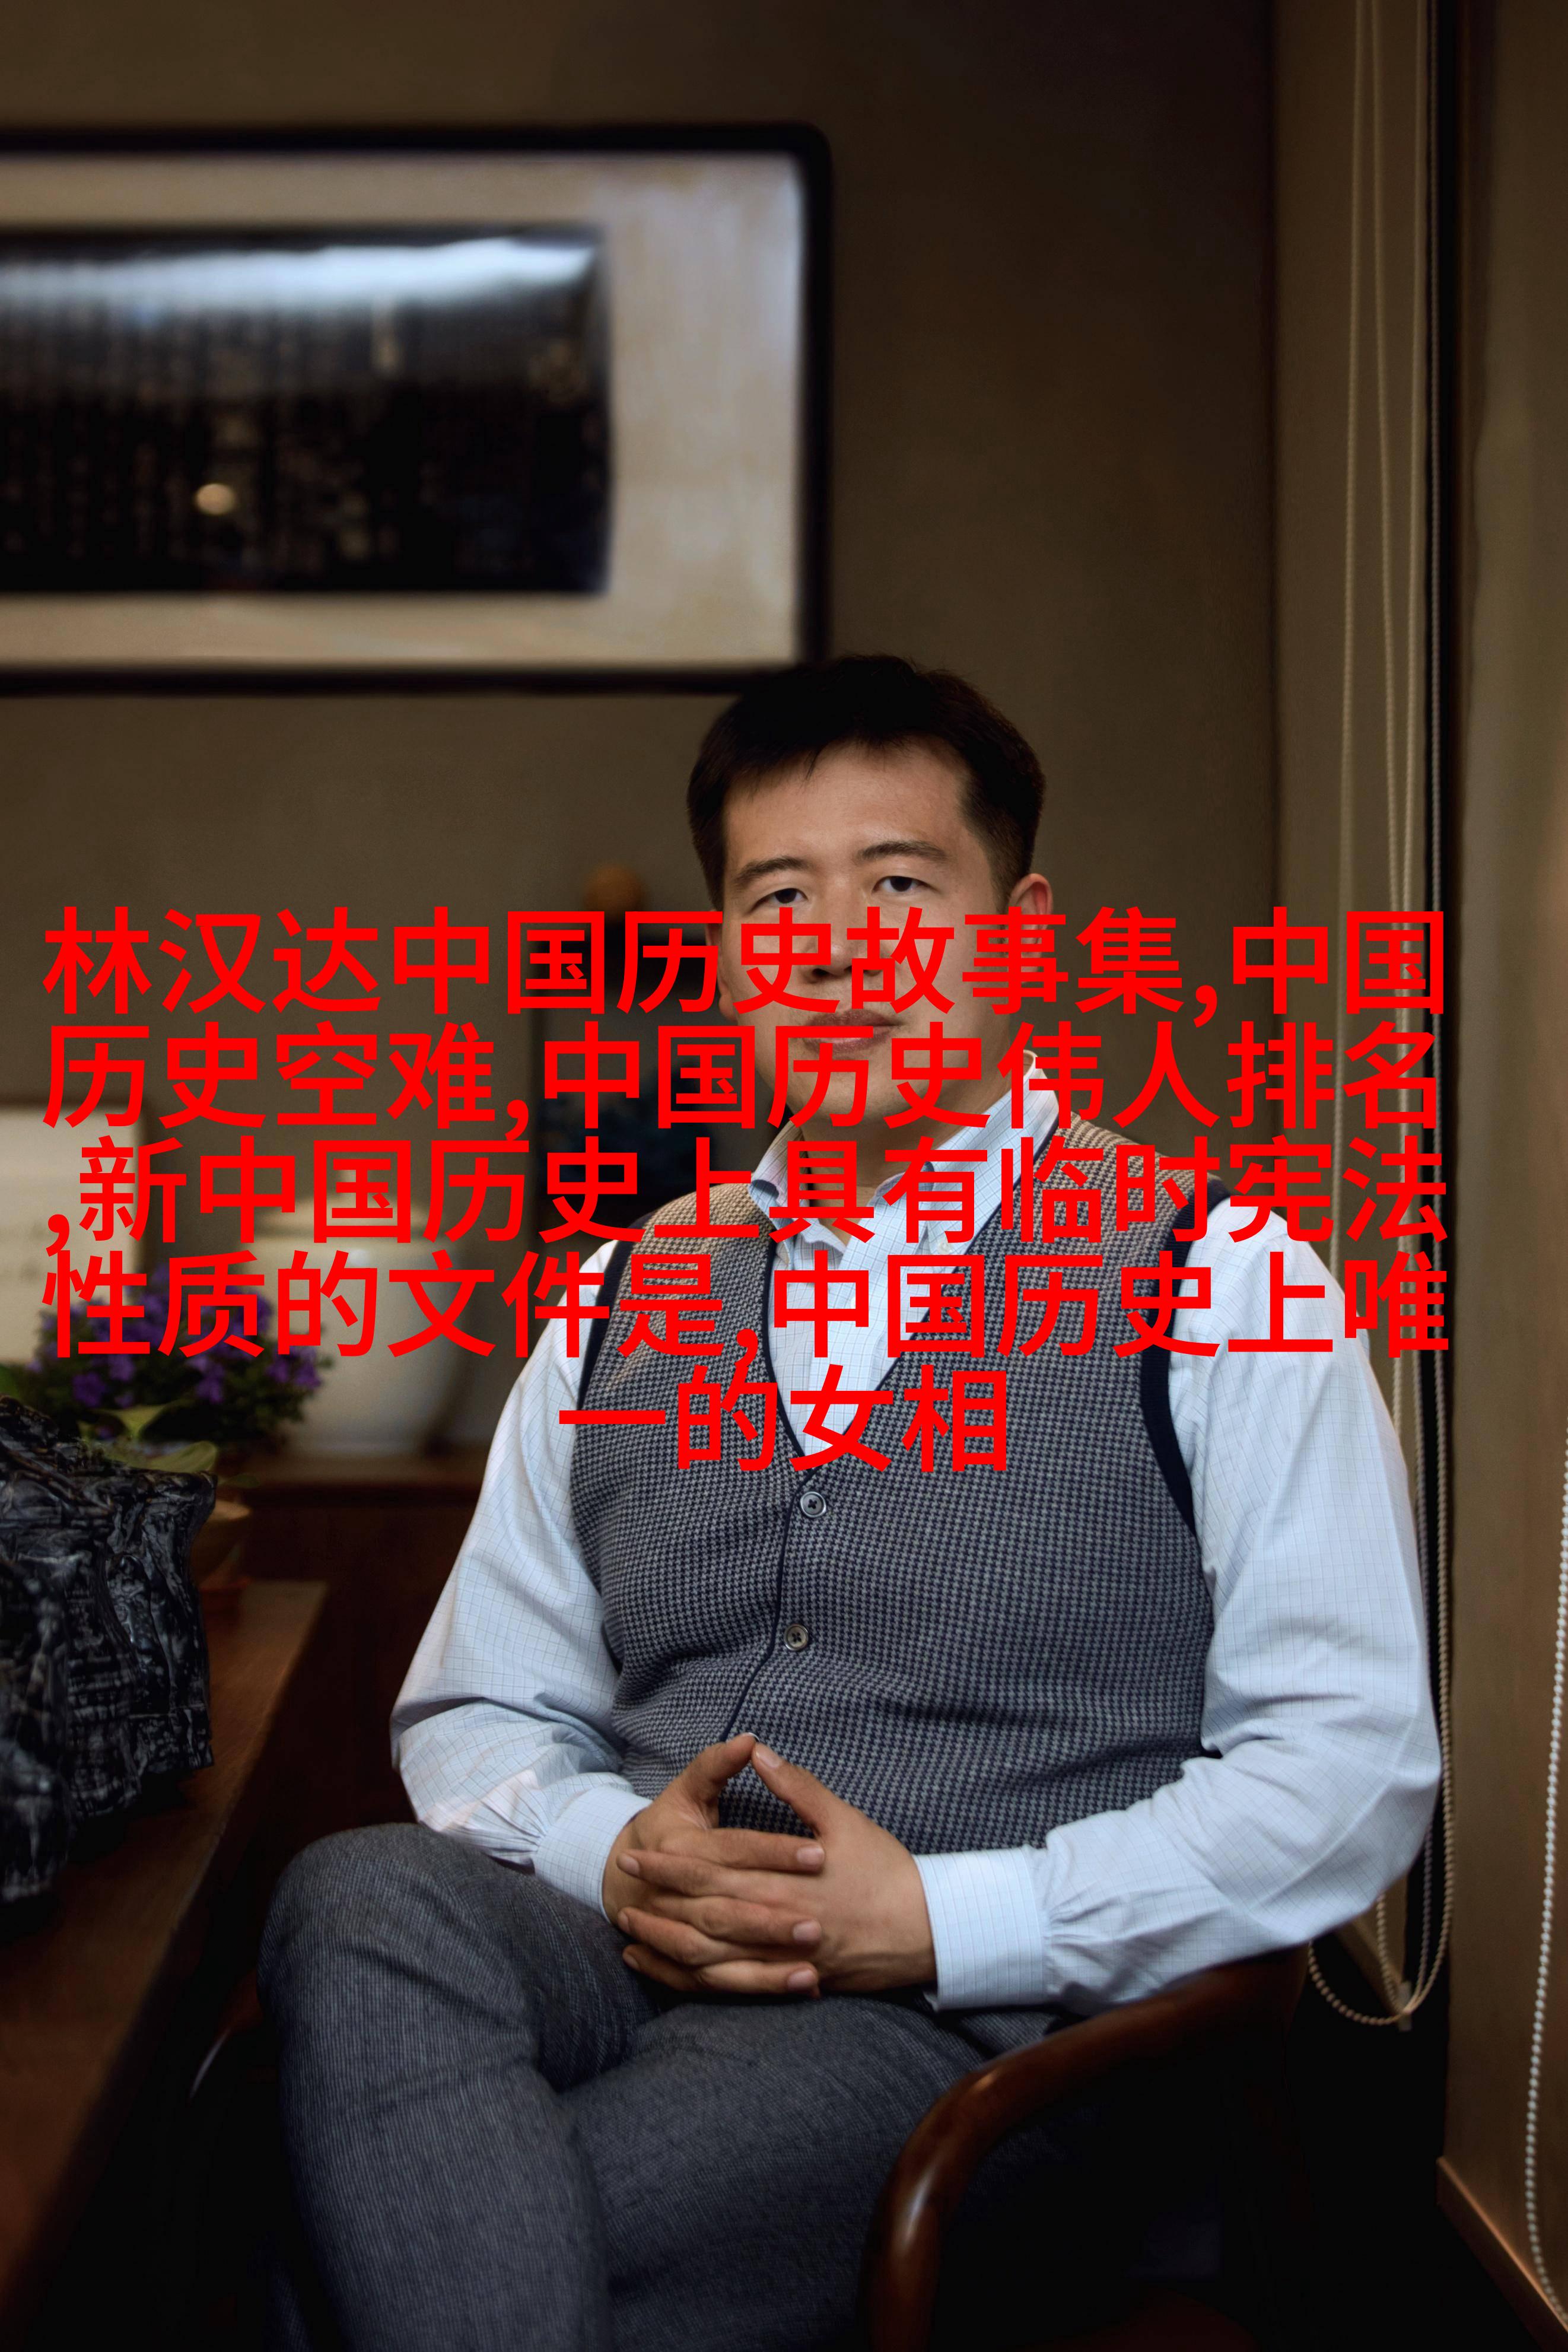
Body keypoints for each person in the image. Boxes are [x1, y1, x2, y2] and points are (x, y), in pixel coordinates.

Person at [260, 655, 1441, 2352]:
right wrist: (616, 1854)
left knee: (353, 2224)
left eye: (897, 888)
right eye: (776, 901)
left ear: (1023, 934)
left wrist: (945, 1921)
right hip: (628, 1954)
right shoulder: (616, 1296)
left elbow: (1344, 1770)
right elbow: (478, 1709)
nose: (836, 951)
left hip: (987, 2040)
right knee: (355, 1897)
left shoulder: (1226, 1280)